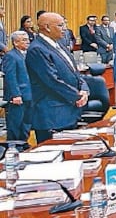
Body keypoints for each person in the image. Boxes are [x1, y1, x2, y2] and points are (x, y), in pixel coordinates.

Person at [24, 12, 88, 142]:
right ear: (47, 27)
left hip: (68, 111)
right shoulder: (37, 49)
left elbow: (75, 73)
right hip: (52, 115)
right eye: (60, 25)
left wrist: (84, 89)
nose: (65, 28)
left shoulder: (60, 45)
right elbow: (52, 81)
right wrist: (77, 96)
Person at [2, 30, 32, 141]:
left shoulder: (27, 55)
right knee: (15, 125)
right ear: (15, 42)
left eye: (28, 39)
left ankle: (23, 144)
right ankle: (14, 146)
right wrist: (15, 94)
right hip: (17, 96)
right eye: (24, 40)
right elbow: (10, 77)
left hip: (28, 95)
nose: (27, 42)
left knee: (26, 123)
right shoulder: (11, 56)